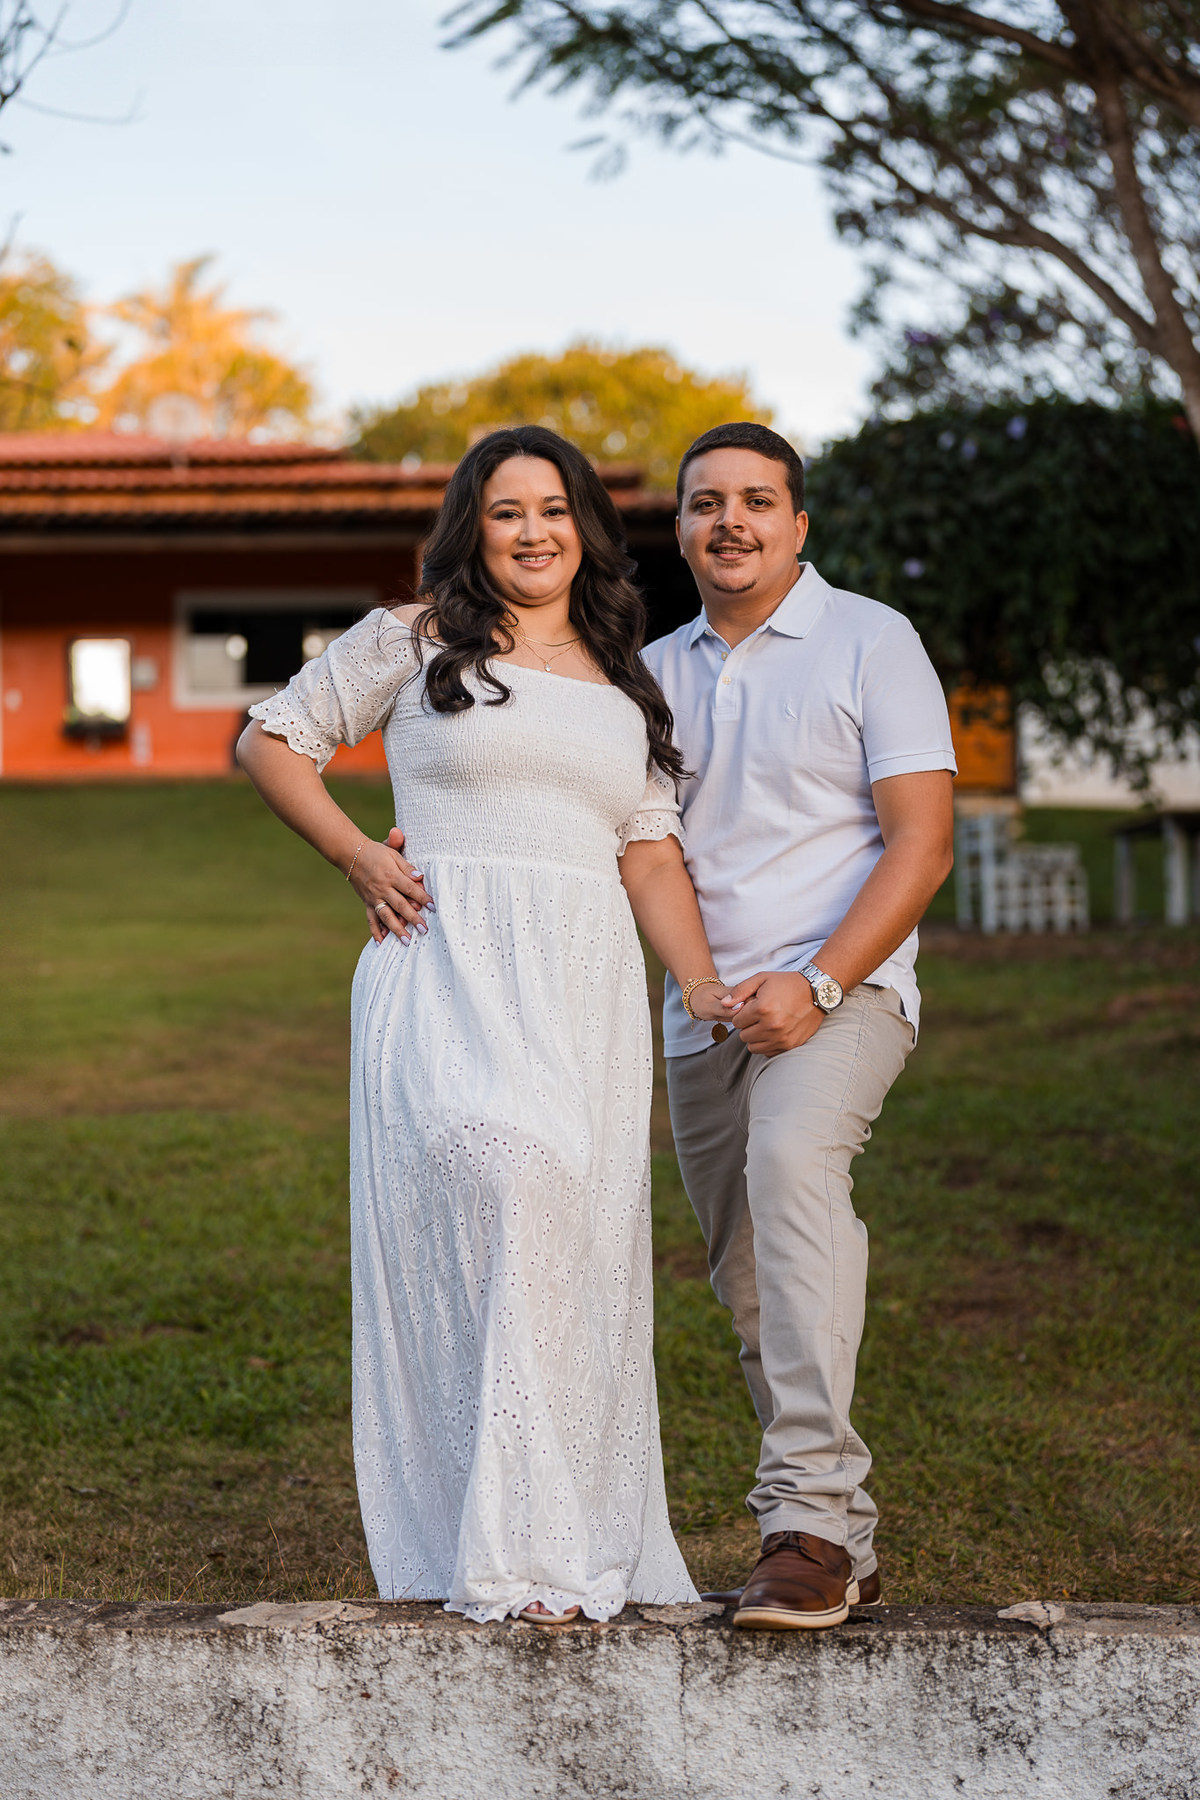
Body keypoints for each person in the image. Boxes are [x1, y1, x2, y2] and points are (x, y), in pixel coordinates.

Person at [236, 426, 730, 1627]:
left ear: (586, 531)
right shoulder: (412, 639)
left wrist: (706, 989)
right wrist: (358, 856)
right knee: (508, 1186)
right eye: (507, 511)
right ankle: (515, 1550)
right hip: (444, 971)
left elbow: (648, 855)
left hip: (581, 994)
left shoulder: (626, 683)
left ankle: (550, 1535)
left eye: (554, 510)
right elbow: (271, 739)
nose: (533, 532)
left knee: (564, 1245)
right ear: (474, 528)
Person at [645, 421, 957, 1629]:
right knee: (750, 1283)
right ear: (680, 528)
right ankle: (850, 1547)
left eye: (757, 500)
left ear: (798, 524)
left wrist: (819, 983)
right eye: (705, 502)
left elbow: (922, 844)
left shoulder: (872, 639)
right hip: (703, 1017)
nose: (731, 520)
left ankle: (807, 1526)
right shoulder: (649, 673)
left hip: (847, 994)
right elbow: (622, 840)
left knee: (791, 1175)